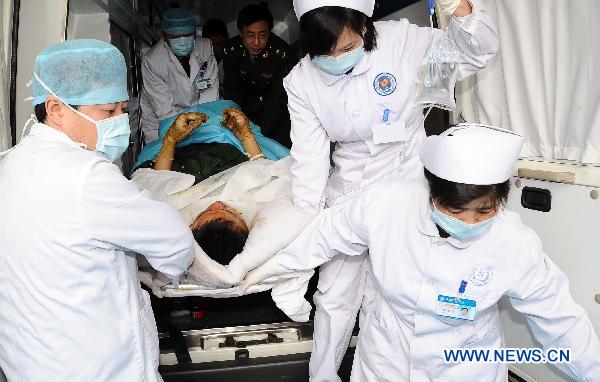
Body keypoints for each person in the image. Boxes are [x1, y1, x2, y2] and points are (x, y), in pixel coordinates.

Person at [241, 124, 600, 381]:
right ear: (431, 192)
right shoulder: (388, 203)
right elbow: (325, 235)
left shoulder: (515, 243)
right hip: (387, 359)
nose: (469, 222)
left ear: (502, 199)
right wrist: (267, 269)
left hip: (465, 364)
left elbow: (560, 319)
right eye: (454, 211)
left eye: (484, 211)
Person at [283, 0, 499, 379]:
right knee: (333, 296)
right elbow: (309, 162)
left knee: (393, 296)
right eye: (325, 52)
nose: (336, 57)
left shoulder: (401, 41)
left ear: (364, 27)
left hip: (407, 180)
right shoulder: (300, 81)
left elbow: (474, 53)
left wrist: (460, 10)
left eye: (346, 47)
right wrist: (306, 228)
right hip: (349, 187)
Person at [0, 39, 197, 381]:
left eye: (123, 109)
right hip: (96, 366)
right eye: (108, 112)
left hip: (31, 363)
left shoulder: (10, 165)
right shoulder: (86, 175)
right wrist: (164, 272)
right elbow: (175, 244)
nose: (119, 121)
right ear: (56, 108)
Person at [140, 8, 219, 144]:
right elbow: (164, 107)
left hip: (198, 111)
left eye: (188, 35)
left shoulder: (205, 47)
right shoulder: (152, 61)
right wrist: (182, 132)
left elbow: (210, 92)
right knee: (165, 155)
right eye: (175, 37)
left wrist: (203, 124)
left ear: (195, 33)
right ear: (164, 36)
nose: (183, 40)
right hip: (162, 118)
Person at [223, 3, 292, 147]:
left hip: (275, 114)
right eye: (250, 35)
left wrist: (260, 133)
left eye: (262, 35)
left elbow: (277, 98)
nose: (256, 42)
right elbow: (232, 92)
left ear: (270, 33)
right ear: (240, 33)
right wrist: (239, 125)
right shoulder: (231, 51)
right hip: (244, 110)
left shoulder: (282, 54)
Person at [202, 18, 229, 95]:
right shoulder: (199, 62)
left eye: (219, 45)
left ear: (227, 38)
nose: (215, 50)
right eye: (211, 46)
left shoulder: (236, 60)